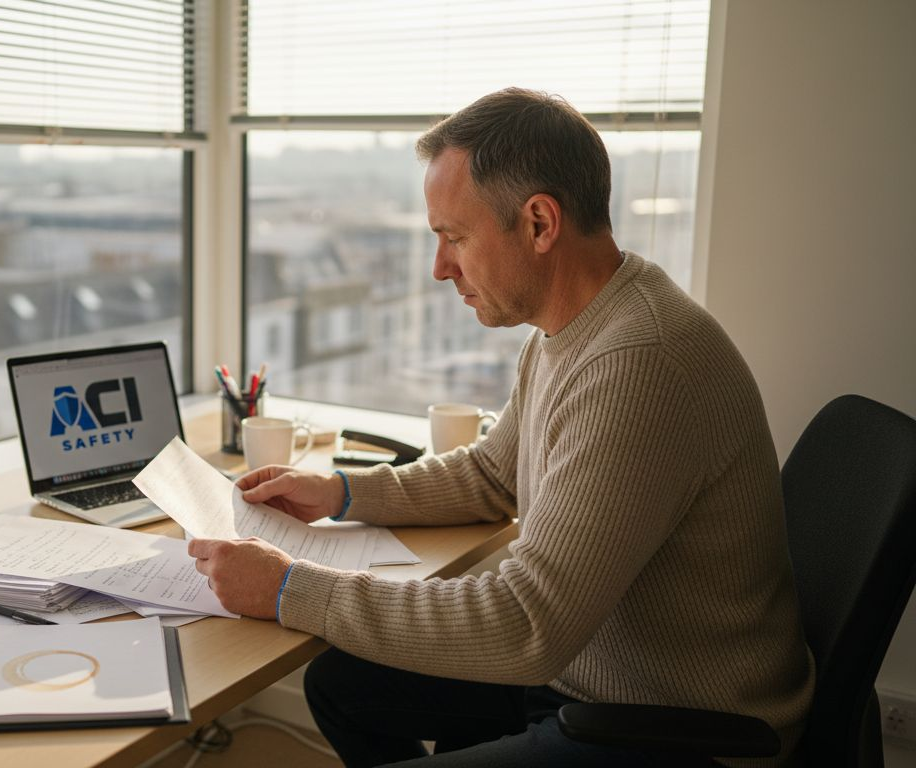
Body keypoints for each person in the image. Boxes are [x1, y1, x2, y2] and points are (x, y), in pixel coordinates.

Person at [188, 88, 815, 767]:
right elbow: (492, 473)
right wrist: (341, 493)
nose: (439, 268)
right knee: (342, 686)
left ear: (540, 223)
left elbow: (526, 625)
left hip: (676, 729)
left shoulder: (641, 363)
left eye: (455, 237)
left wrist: (289, 588)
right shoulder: (571, 327)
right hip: (587, 678)